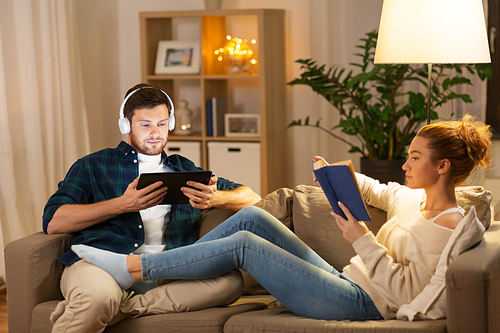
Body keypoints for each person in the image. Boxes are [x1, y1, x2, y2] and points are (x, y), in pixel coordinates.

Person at [72, 115, 491, 321]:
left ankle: (133, 268)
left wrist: (362, 238)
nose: (404, 164)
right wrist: (333, 173)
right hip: (349, 280)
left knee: (244, 246)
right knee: (254, 219)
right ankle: (165, 272)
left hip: (365, 304)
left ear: (442, 168)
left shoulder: (449, 227)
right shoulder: (409, 199)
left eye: (415, 158)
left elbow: (405, 293)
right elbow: (372, 188)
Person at [43, 83, 261, 332]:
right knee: (97, 299)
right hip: (102, 263)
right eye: (145, 124)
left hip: (165, 272)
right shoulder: (93, 165)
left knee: (230, 282)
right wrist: (122, 205)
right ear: (126, 126)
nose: (155, 133)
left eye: (161, 123)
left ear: (170, 123)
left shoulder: (184, 168)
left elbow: (252, 198)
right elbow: (53, 221)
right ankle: (105, 304)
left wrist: (217, 199)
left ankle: (123, 309)